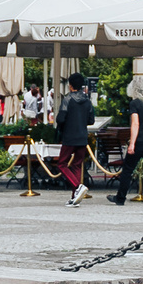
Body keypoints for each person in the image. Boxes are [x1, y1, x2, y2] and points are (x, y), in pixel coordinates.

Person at [107, 83, 143, 206]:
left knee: (127, 170)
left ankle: (120, 198)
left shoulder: (135, 103)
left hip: (140, 140)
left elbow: (135, 123)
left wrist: (132, 144)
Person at [54, 73, 97, 206]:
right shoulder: (87, 101)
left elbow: (60, 118)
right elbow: (91, 120)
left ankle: (78, 187)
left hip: (69, 136)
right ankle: (75, 197)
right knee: (77, 165)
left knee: (62, 164)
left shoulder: (67, 99)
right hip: (83, 137)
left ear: (70, 85)